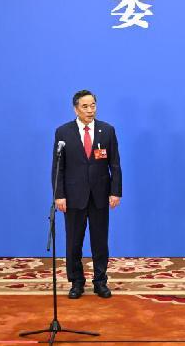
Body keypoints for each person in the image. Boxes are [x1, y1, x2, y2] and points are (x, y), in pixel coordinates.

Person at [52, 90, 122, 299]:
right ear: (76, 109)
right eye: (85, 106)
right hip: (73, 196)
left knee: (100, 242)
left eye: (93, 105)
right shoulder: (63, 132)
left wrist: (115, 191)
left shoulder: (107, 130)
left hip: (100, 195)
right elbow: (58, 167)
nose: (90, 110)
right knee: (74, 242)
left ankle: (100, 281)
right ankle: (76, 282)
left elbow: (115, 164)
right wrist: (59, 195)